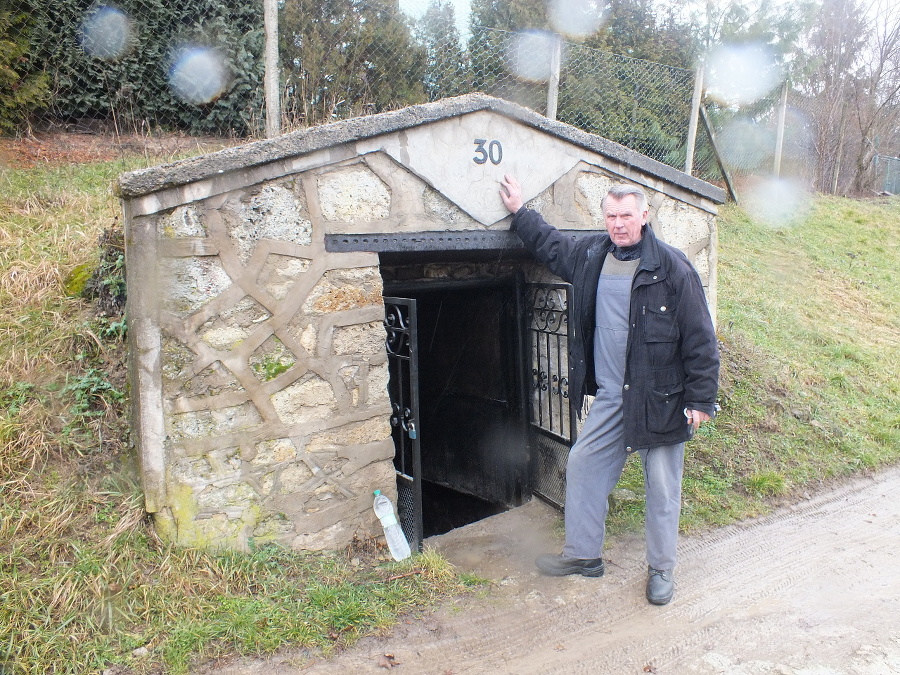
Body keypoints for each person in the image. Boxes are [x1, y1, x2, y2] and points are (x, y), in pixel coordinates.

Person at [499, 174, 719, 605]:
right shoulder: (591, 256)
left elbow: (700, 338)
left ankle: (661, 569)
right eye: (611, 215)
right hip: (613, 396)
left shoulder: (672, 268)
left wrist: (700, 399)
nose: (618, 224)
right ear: (605, 217)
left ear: (644, 216)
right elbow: (551, 245)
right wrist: (520, 213)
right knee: (582, 465)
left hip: (663, 399)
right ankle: (584, 556)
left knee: (661, 487)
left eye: (626, 215)